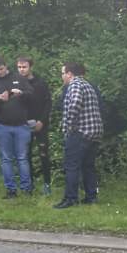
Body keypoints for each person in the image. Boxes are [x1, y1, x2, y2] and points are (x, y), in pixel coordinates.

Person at [54, 62, 103, 209]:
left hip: (80, 132)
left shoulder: (74, 85)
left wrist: (69, 126)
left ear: (70, 74)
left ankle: (70, 198)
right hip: (94, 132)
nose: (62, 76)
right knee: (88, 166)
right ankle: (91, 197)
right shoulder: (87, 85)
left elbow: (75, 104)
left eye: (63, 73)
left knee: (71, 166)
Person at [0, 55, 34, 197]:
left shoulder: (18, 78)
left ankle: (26, 188)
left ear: (6, 66)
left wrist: (21, 93)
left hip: (21, 125)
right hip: (1, 126)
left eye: (1, 69)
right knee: (6, 158)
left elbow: (31, 94)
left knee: (22, 157)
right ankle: (11, 190)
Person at [16, 55, 52, 195]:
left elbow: (48, 103)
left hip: (40, 123)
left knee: (43, 154)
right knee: (25, 155)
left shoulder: (40, 83)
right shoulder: (16, 83)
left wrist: (42, 121)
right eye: (19, 67)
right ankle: (28, 185)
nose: (21, 70)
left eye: (24, 67)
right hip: (23, 124)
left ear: (30, 67)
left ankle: (47, 184)